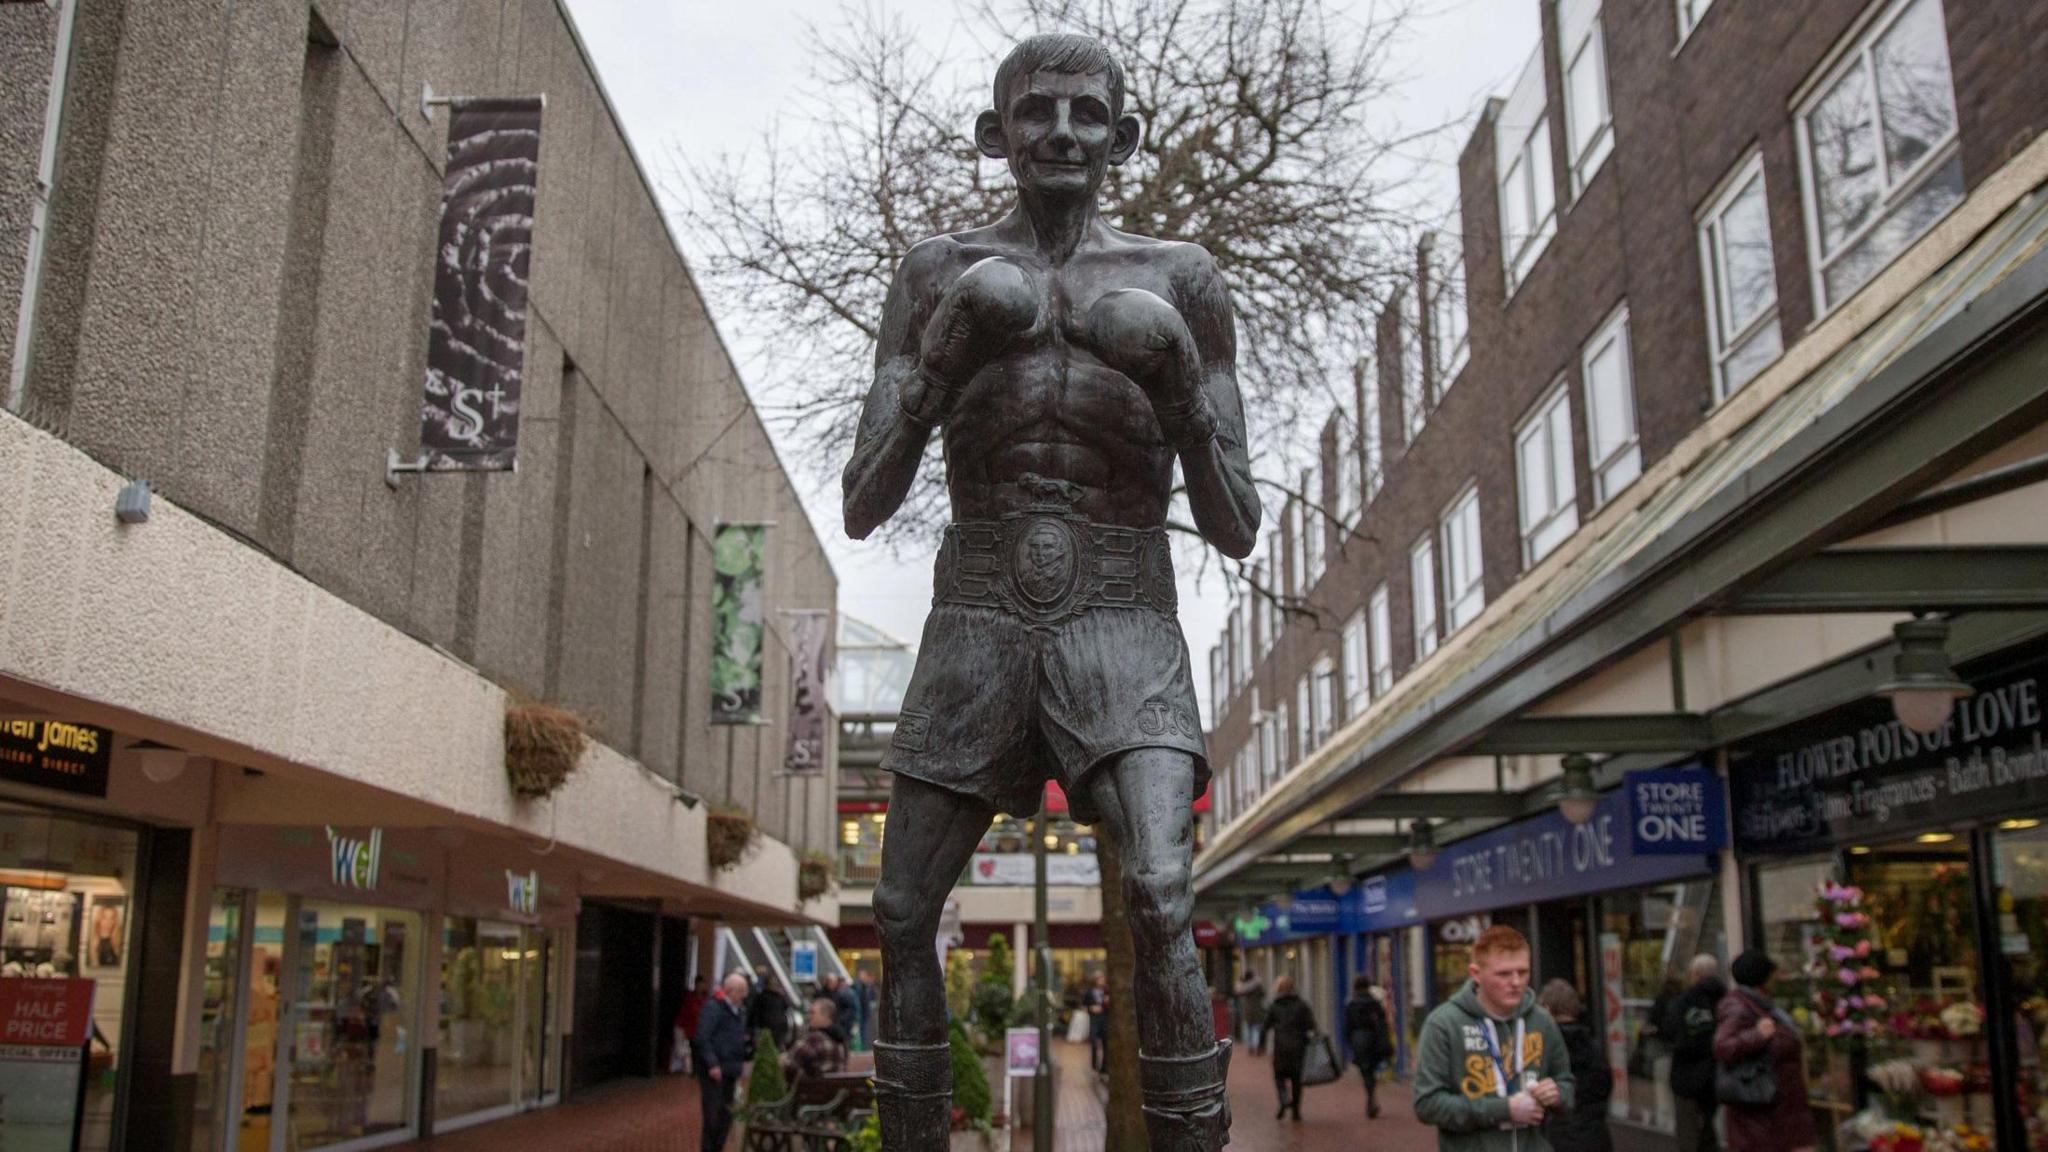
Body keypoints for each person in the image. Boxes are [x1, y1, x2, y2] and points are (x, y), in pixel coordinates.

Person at [844, 30, 1258, 1152]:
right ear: (996, 134)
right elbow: (861, 502)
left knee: (1162, 893)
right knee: (894, 910)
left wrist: (1174, 380)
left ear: (1120, 137)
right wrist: (939, 360)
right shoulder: (935, 272)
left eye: (1085, 113)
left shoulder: (1181, 281)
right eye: (1036, 112)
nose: (1060, 132)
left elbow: (1235, 523)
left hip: (1123, 607)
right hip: (976, 603)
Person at [1414, 924, 1574, 1151]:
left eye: (1523, 971)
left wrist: (1557, 1094)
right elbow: (1427, 1105)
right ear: (1476, 974)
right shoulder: (1443, 1024)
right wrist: (1504, 1109)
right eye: (1504, 973)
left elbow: (1566, 1083)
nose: (1516, 982)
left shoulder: (1542, 1020)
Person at [1712, 950, 1815, 1152]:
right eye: (1772, 973)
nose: (1777, 978)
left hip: (1779, 1109)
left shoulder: (1762, 1005)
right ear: (1762, 976)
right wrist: (1758, 1036)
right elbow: (1723, 1047)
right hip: (1761, 1112)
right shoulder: (1739, 1007)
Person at [1537, 980, 1613, 1152]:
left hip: (1559, 1138)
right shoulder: (1594, 1047)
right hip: (1596, 1137)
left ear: (1547, 1009)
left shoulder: (1545, 1048)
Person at [1665, 954, 1727, 1152]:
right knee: (1710, 1130)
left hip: (1688, 1078)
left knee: (1690, 1135)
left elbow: (1669, 1031)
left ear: (1696, 974)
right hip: (1718, 1075)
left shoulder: (1683, 1002)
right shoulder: (1725, 999)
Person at [696, 973, 752, 1152]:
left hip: (731, 1068)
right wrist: (712, 1063)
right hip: (716, 1069)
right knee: (713, 1113)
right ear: (730, 991)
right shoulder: (713, 1008)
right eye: (741, 991)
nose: (745, 995)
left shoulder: (740, 1011)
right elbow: (703, 1037)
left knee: (726, 1113)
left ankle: (717, 1146)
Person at [1260, 974, 1317, 1122]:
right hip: (1299, 1047)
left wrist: (1261, 1044)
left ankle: (1284, 1098)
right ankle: (1296, 1112)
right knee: (1296, 1079)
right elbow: (1311, 1025)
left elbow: (1265, 1026)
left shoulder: (1275, 1006)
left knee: (1279, 1076)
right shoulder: (1302, 1005)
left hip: (1281, 1047)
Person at [1344, 975, 1394, 1119]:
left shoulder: (1351, 1005)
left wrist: (1350, 1043)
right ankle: (1371, 1097)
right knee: (1371, 1068)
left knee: (1366, 1071)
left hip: (1359, 1041)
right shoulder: (1374, 1003)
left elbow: (1347, 1027)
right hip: (1374, 1040)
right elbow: (1382, 1023)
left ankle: (1370, 1096)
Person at [783, 995, 851, 1081]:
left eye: (812, 1013)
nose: (809, 1016)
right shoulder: (840, 1040)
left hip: (812, 1091)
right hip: (834, 1090)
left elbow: (790, 1065)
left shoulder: (816, 1039)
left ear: (825, 1016)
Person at [749, 977, 793, 1053]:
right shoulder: (780, 997)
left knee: (765, 1050)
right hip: (779, 1028)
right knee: (777, 1049)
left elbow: (754, 1014)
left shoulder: (761, 996)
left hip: (765, 1028)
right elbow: (787, 1007)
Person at [825, 974, 861, 1050]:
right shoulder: (850, 992)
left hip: (844, 1019)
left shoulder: (843, 992)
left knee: (845, 1036)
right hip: (847, 1019)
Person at [1084, 971, 1110, 1072]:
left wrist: (1104, 1006)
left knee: (1105, 1043)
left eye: (1102, 978)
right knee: (1094, 1041)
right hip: (1094, 1019)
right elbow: (1084, 1005)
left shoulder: (1107, 990)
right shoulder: (1089, 991)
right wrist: (1091, 1008)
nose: (1101, 980)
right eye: (1099, 978)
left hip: (1104, 1018)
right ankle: (1094, 1065)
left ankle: (1104, 1067)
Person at [1236, 970, 1267, 1049]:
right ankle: (1256, 1045)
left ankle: (1250, 1045)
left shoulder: (1244, 987)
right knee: (1256, 1028)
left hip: (1248, 1009)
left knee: (1249, 1028)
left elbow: (1238, 992)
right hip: (1257, 1009)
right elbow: (1263, 994)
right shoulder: (1258, 985)